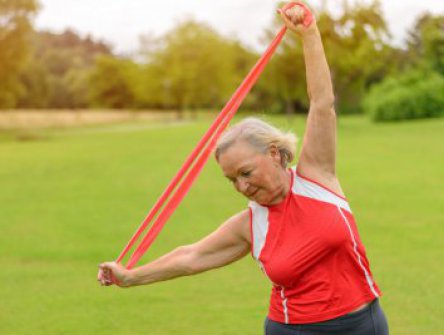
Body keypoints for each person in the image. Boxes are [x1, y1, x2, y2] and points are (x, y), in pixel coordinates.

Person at [98, 3, 389, 334]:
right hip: (292, 329)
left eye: (246, 172)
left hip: (363, 324)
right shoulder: (251, 225)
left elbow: (321, 102)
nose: (241, 186)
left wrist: (309, 34)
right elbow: (191, 257)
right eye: (232, 180)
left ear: (276, 154)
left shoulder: (316, 176)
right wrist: (131, 277)